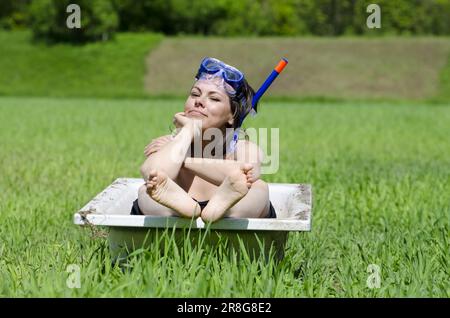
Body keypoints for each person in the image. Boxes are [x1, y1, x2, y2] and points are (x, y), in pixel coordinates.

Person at [132, 57, 276, 222]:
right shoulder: (171, 144)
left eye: (214, 98)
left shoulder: (242, 146)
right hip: (175, 206)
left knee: (259, 189)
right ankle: (186, 208)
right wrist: (189, 130)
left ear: (232, 115)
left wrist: (184, 160)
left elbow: (246, 174)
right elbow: (151, 173)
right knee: (146, 191)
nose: (199, 102)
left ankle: (218, 209)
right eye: (195, 94)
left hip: (231, 208)